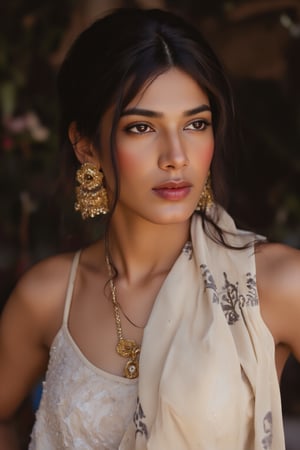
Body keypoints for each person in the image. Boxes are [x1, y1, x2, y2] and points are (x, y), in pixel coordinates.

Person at [0, 7, 299, 450]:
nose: (176, 155)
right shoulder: (47, 298)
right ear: (86, 146)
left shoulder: (273, 285)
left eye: (196, 124)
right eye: (141, 127)